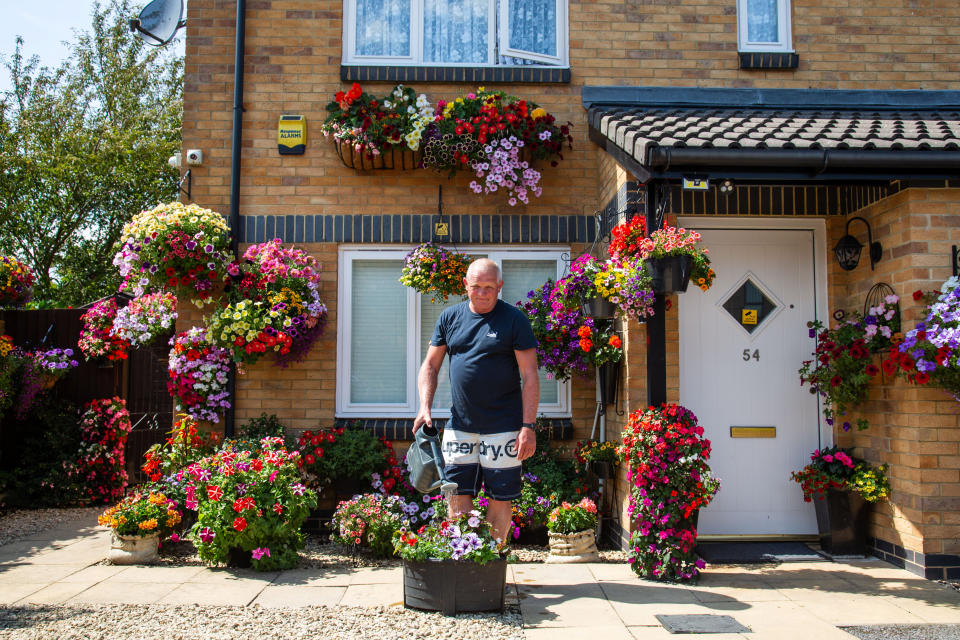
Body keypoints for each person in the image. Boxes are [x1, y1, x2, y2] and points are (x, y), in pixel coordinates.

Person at [413, 258, 539, 544]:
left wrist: (528, 426)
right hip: (460, 426)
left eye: (489, 287)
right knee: (457, 500)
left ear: (500, 287)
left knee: (500, 501)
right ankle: (466, 565)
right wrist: (425, 407)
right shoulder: (450, 318)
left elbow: (530, 375)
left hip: (504, 428)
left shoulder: (514, 319)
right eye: (476, 287)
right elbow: (430, 365)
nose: (482, 293)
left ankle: (490, 569)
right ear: (465, 286)